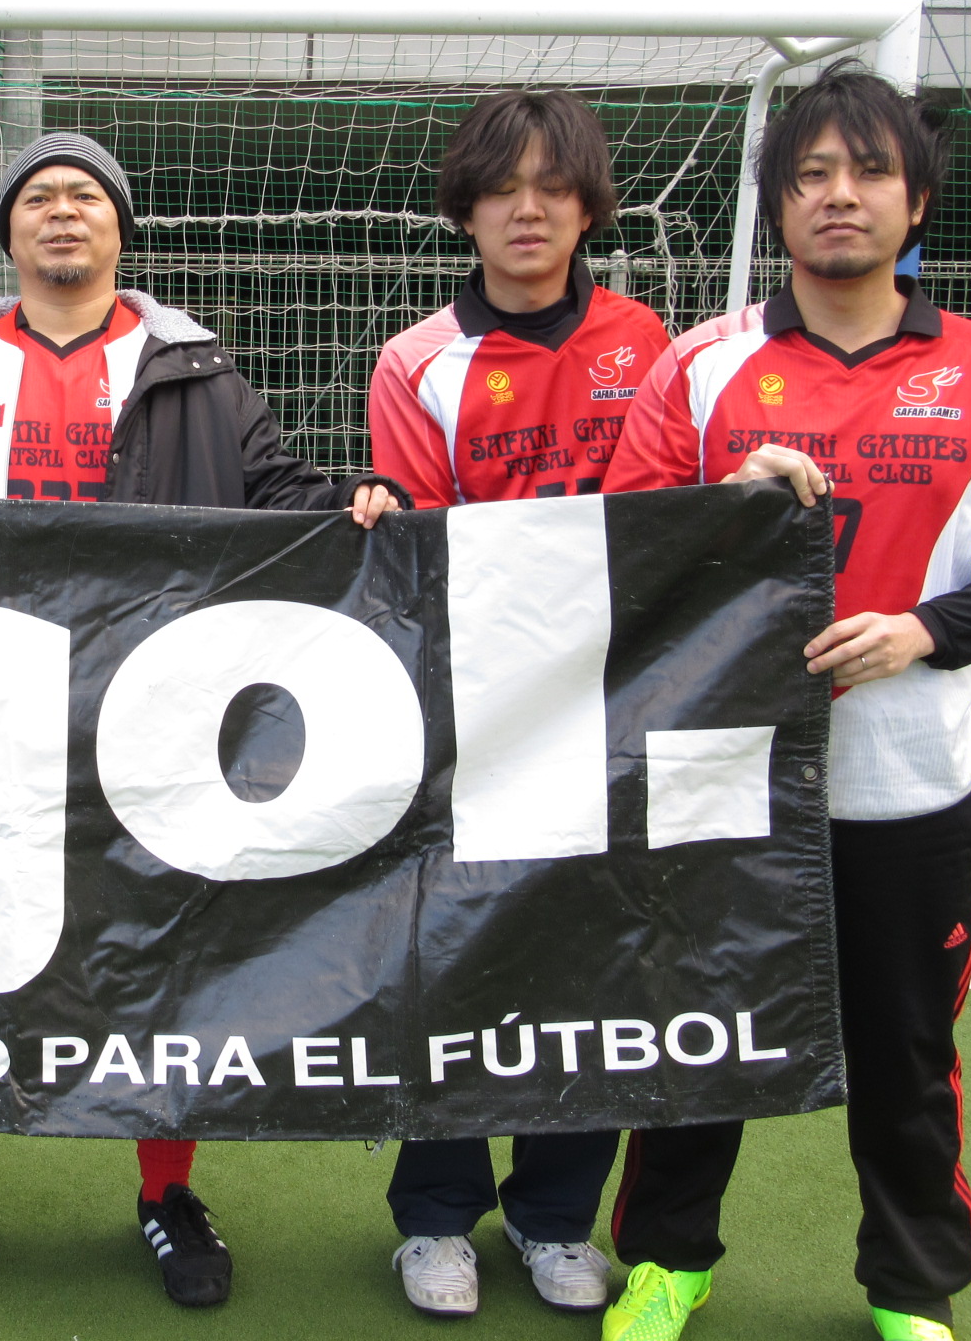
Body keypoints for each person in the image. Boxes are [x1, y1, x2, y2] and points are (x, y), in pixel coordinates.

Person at [0, 131, 405, 1308]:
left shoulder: (194, 370)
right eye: (38, 199)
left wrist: (350, 498)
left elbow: (275, 493)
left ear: (118, 227)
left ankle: (165, 1193)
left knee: (161, 955)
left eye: (83, 197)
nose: (61, 212)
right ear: (8, 232)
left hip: (150, 719)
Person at [600, 60, 971, 1341]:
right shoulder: (700, 366)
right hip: (717, 779)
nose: (839, 195)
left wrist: (923, 630)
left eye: (869, 172)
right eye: (811, 173)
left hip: (904, 785)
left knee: (904, 1055)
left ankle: (910, 1290)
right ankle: (665, 1263)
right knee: (695, 1037)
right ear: (775, 204)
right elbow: (613, 549)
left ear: (914, 201)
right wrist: (723, 505)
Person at [366, 89, 671, 1318]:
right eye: (501, 189)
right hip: (472, 710)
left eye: (552, 187)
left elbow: (671, 521)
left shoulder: (653, 346)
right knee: (449, 955)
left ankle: (553, 1220)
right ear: (466, 211)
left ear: (588, 207)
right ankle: (435, 1217)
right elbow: (420, 552)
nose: (527, 210)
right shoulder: (414, 361)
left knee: (590, 967)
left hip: (616, 706)